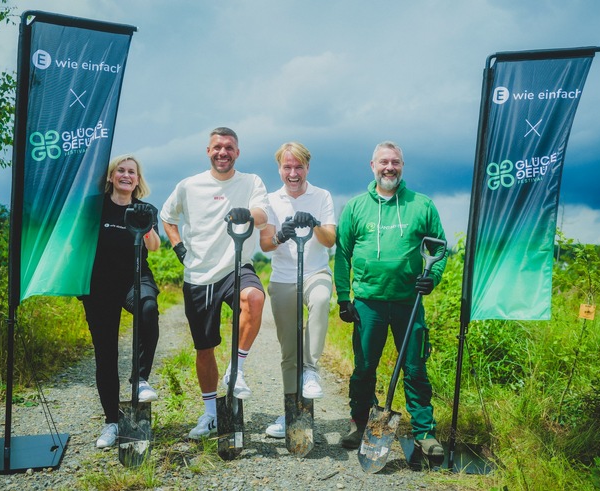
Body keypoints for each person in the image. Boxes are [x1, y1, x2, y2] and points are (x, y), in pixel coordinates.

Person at [333, 141, 448, 460]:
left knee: (414, 368)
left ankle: (425, 433)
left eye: (395, 162)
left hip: (409, 303)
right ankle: (361, 424)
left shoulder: (421, 205)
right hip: (368, 303)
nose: (389, 167)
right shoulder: (356, 207)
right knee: (364, 368)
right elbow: (342, 254)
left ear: (402, 166)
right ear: (372, 166)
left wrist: (432, 277)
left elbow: (439, 249)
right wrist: (344, 297)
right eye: (384, 162)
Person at [160, 127, 269, 440]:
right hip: (199, 274)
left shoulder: (251, 182)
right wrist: (179, 246)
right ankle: (210, 414)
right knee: (204, 348)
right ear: (208, 151)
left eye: (230, 147)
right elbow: (167, 217)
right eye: (217, 147)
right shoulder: (188, 185)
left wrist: (246, 212)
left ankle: (237, 367)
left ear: (238, 152)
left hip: (236, 265)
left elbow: (261, 215)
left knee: (255, 298)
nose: (223, 152)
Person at [80, 154, 162, 448]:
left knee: (148, 309)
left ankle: (140, 379)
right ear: (112, 176)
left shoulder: (145, 208)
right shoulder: (96, 207)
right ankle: (112, 422)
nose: (127, 175)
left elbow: (155, 245)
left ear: (138, 180)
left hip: (135, 279)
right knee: (105, 355)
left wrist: (146, 224)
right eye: (121, 171)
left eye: (132, 172)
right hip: (98, 285)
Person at [259, 142, 336, 439]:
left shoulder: (322, 196)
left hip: (315, 271)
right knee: (288, 349)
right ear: (279, 168)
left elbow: (329, 240)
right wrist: (281, 234)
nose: (293, 173)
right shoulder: (270, 200)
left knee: (320, 298)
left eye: (299, 166)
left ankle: (312, 370)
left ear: (307, 167)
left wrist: (314, 223)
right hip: (283, 276)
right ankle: (290, 411)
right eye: (287, 167)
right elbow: (266, 244)